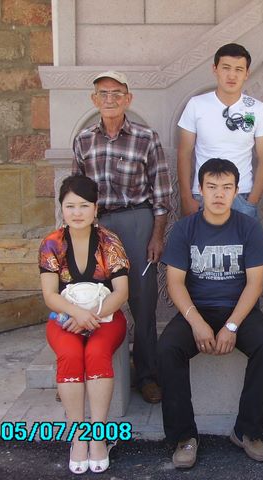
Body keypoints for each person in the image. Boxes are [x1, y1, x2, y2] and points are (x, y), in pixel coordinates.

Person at [158, 158, 263, 469]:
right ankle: (184, 437)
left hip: (238, 309)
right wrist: (197, 323)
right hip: (196, 309)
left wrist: (232, 325)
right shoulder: (185, 229)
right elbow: (175, 282)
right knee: (168, 348)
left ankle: (247, 432)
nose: (219, 194)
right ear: (200, 190)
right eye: (211, 187)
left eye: (226, 187)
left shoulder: (248, 228)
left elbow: (255, 284)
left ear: (237, 191)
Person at [73, 71, 172, 404]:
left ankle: (147, 375)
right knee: (91, 296)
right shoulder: (84, 140)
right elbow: (76, 192)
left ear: (128, 99)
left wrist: (157, 236)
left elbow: (162, 194)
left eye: (117, 93)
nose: (110, 99)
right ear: (94, 99)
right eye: (103, 93)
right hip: (96, 225)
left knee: (143, 301)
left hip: (137, 221)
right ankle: (89, 373)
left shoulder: (146, 137)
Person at [39, 175, 129, 474]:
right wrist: (77, 314)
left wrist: (92, 315)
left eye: (84, 205)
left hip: (106, 317)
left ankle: (98, 435)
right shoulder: (51, 243)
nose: (77, 212)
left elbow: (121, 292)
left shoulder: (109, 241)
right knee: (70, 354)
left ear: (95, 208)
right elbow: (50, 295)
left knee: (96, 353)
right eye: (70, 206)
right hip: (64, 318)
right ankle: (78, 435)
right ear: (61, 208)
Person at [177, 43, 263, 219]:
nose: (232, 75)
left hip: (241, 195)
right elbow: (184, 153)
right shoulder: (196, 105)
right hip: (203, 194)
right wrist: (186, 198)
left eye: (239, 69)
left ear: (247, 73)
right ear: (215, 69)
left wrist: (252, 201)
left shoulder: (257, 109)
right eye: (226, 68)